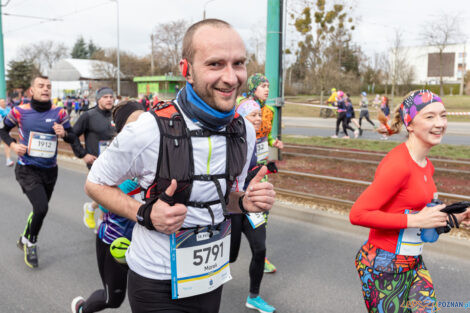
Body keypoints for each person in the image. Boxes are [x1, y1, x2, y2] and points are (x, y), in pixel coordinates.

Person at [84, 19, 275, 313]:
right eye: (215, 64)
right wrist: (145, 213)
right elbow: (94, 183)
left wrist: (246, 202)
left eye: (238, 63)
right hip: (156, 280)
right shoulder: (149, 129)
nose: (231, 77)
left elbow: (225, 199)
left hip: (209, 277)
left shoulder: (244, 131)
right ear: (186, 70)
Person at [349, 90, 468, 313]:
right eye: (430, 116)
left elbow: (419, 216)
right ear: (410, 124)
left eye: (443, 115)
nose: (440, 123)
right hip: (382, 267)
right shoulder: (398, 165)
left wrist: (455, 218)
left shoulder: (426, 165)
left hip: (413, 263)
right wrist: (415, 220)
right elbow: (357, 214)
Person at [71, 100, 144, 313]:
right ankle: (82, 309)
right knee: (113, 299)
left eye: (146, 122)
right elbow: (104, 201)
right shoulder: (115, 161)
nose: (142, 130)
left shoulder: (163, 155)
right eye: (134, 125)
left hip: (151, 245)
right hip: (116, 241)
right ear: (122, 131)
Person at [0, 76, 78, 268]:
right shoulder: (19, 111)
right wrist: (13, 144)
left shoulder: (60, 113)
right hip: (27, 168)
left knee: (38, 210)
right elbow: (2, 131)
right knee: (42, 207)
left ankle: (24, 238)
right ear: (31, 91)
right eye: (41, 86)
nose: (45, 89)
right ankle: (31, 243)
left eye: (48, 86)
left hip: (50, 170)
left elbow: (73, 137)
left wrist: (64, 133)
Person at [230, 98, 275, 313]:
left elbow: (258, 168)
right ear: (240, 117)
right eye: (253, 115)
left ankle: (254, 297)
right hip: (231, 204)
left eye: (260, 114)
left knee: (260, 248)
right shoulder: (231, 140)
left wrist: (264, 173)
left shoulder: (260, 139)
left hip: (251, 202)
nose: (259, 118)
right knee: (230, 255)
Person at [243, 73, 282, 274]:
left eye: (268, 85)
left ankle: (260, 255)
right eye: (262, 86)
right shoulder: (243, 106)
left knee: (262, 212)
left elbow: (265, 136)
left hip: (261, 169)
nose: (267, 89)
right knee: (236, 212)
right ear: (253, 88)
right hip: (244, 169)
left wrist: (273, 143)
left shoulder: (268, 111)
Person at [70, 87, 116, 231]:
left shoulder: (116, 115)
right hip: (96, 161)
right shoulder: (88, 116)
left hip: (115, 162)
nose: (109, 99)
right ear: (98, 99)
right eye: (105, 97)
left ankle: (91, 208)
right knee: (108, 191)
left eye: (111, 97)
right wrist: (83, 154)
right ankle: (102, 224)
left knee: (111, 191)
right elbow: (72, 135)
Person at [0, 98, 14, 166]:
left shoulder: (9, 109)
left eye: (4, 102)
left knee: (7, 143)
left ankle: (8, 160)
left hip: (6, 129)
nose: (3, 103)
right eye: (1, 102)